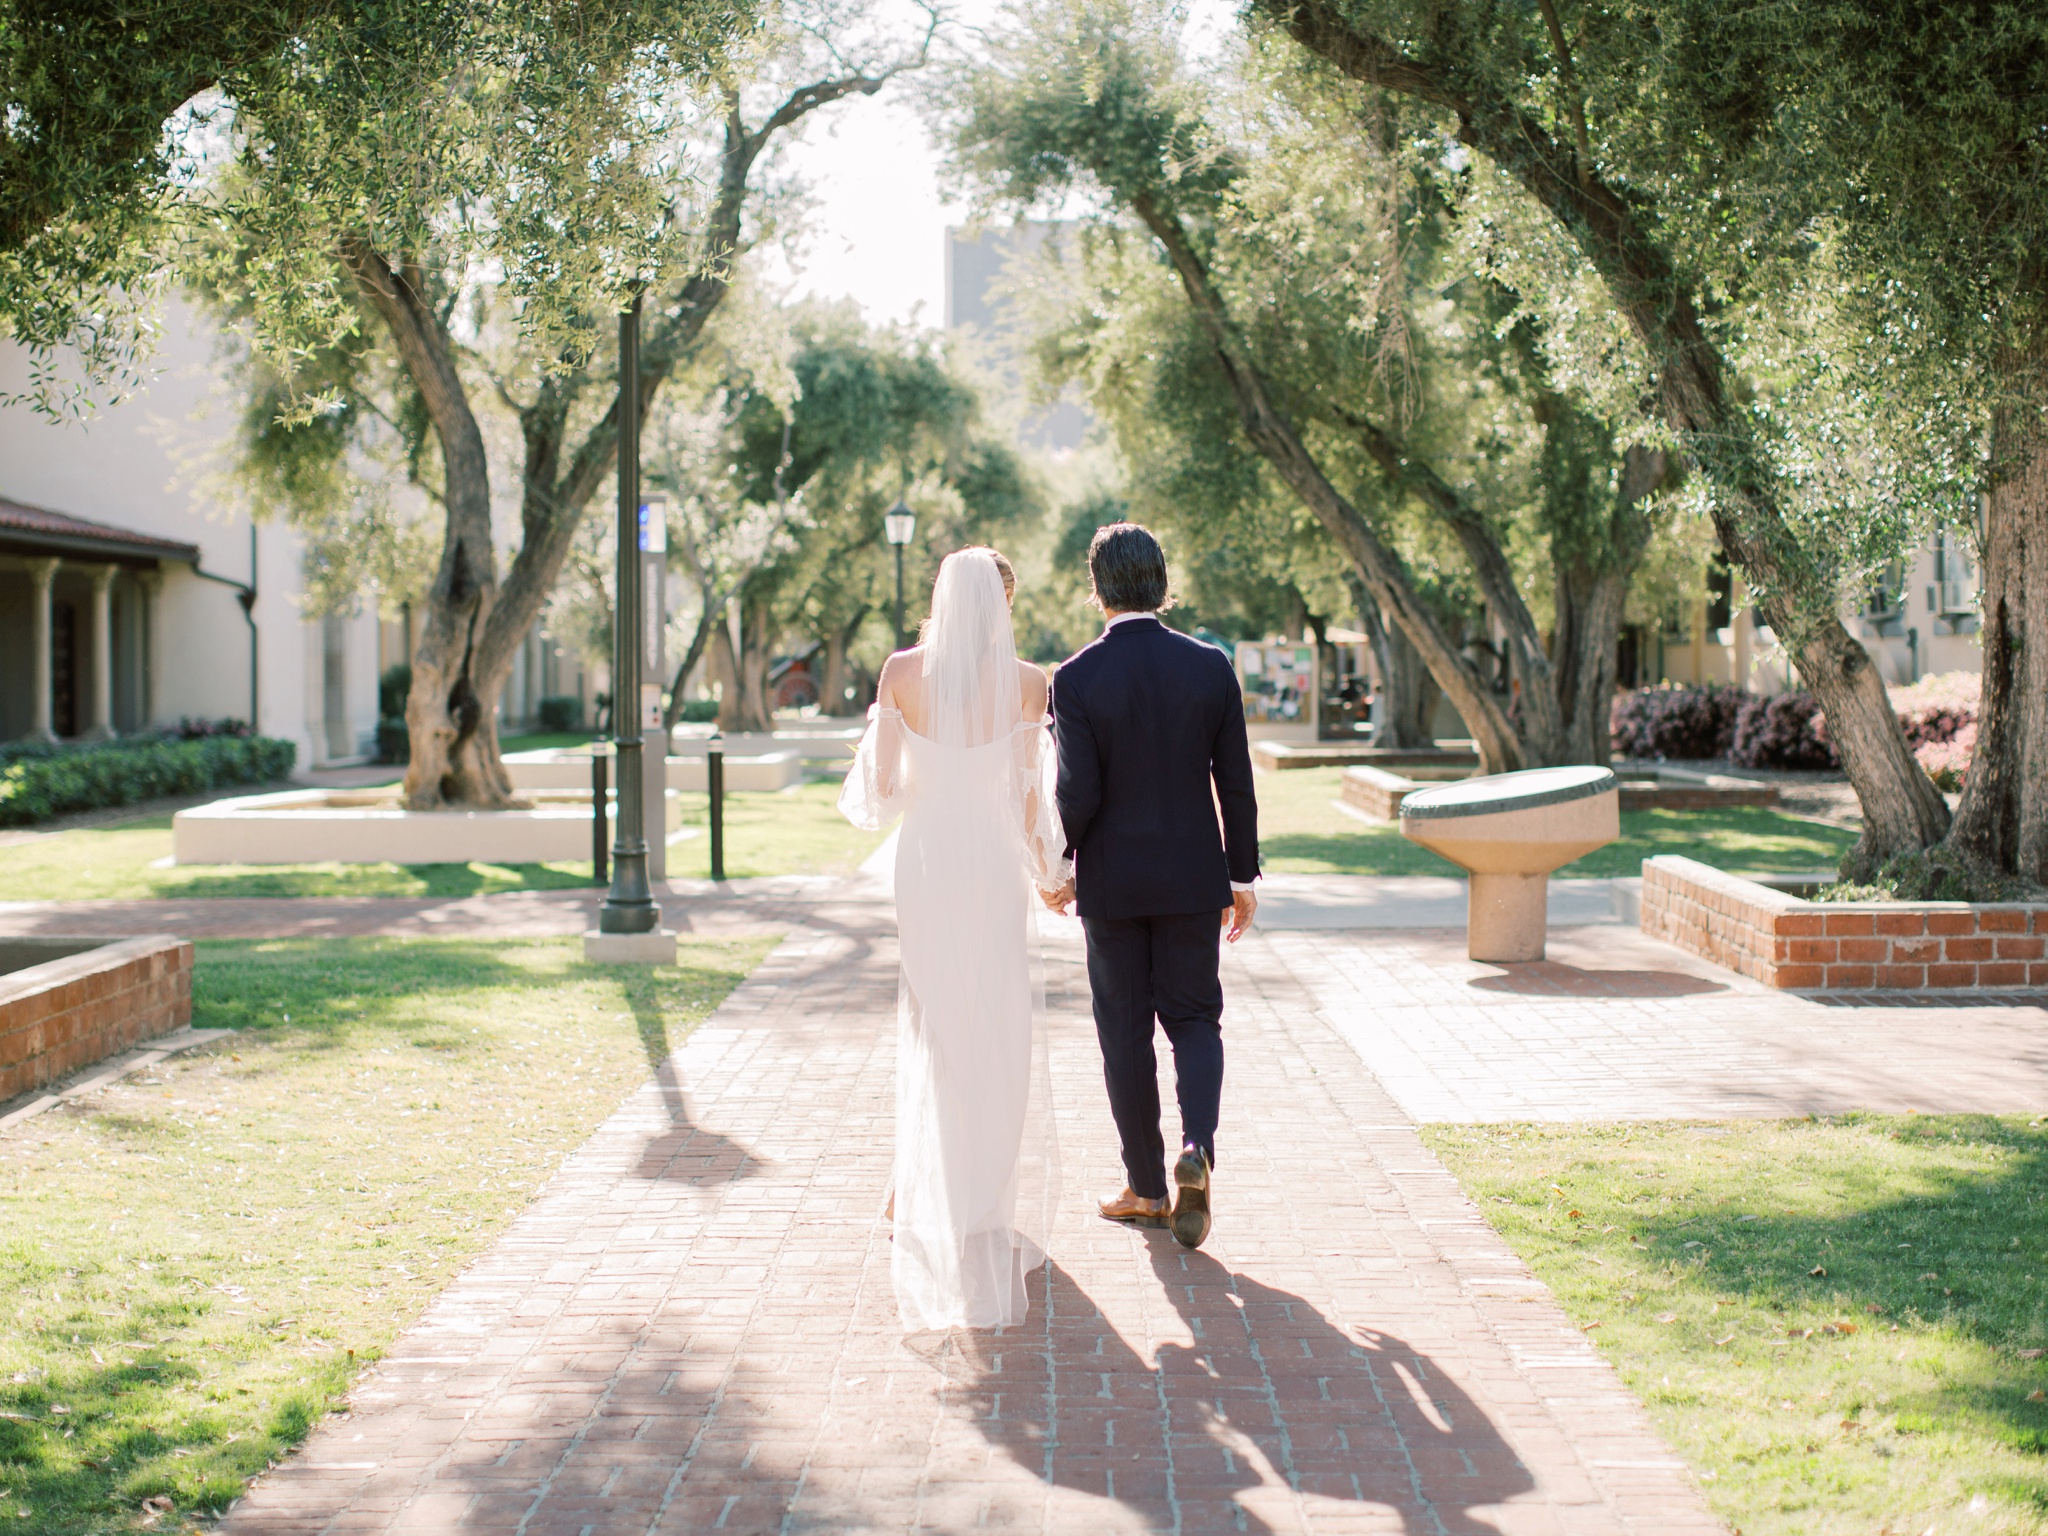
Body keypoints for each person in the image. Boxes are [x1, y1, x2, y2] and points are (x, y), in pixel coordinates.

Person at [838, 547, 1064, 1330]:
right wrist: (1051, 870)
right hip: (993, 859)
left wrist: (908, 762)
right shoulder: (1030, 683)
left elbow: (885, 791)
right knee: (994, 1021)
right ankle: (973, 1193)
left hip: (929, 856)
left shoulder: (901, 671)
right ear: (1002, 604)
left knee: (933, 1018)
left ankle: (918, 1185)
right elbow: (1031, 795)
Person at [1041, 523, 1259, 1250]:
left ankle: (1147, 1187)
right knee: (1197, 1020)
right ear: (1162, 583)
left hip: (1115, 886)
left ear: (1096, 589)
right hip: (1195, 878)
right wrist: (1240, 874)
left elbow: (1078, 794)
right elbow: (1236, 782)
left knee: (1125, 1037)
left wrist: (1061, 866)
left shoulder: (1074, 678)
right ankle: (1196, 1143)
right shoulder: (1210, 666)